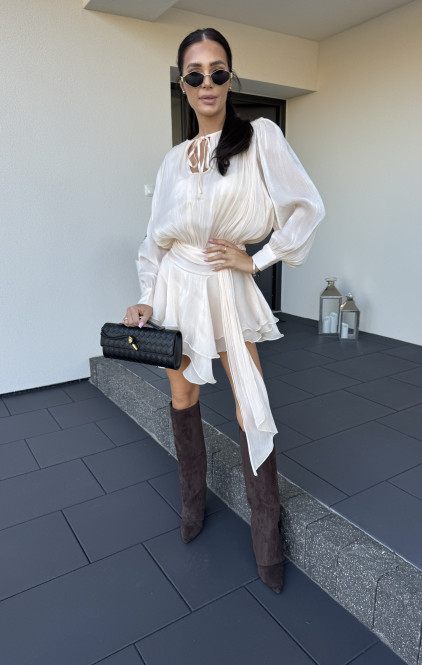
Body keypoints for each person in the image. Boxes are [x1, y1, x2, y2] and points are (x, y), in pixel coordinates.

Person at [123, 27, 325, 594]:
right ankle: (192, 504)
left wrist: (257, 259)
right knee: (183, 398)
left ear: (230, 79)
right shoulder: (172, 161)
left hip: (226, 284)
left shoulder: (259, 137)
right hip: (174, 286)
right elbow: (154, 240)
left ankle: (266, 533)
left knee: (248, 399)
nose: (206, 82)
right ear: (183, 85)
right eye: (195, 74)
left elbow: (307, 206)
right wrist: (146, 295)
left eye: (217, 72)